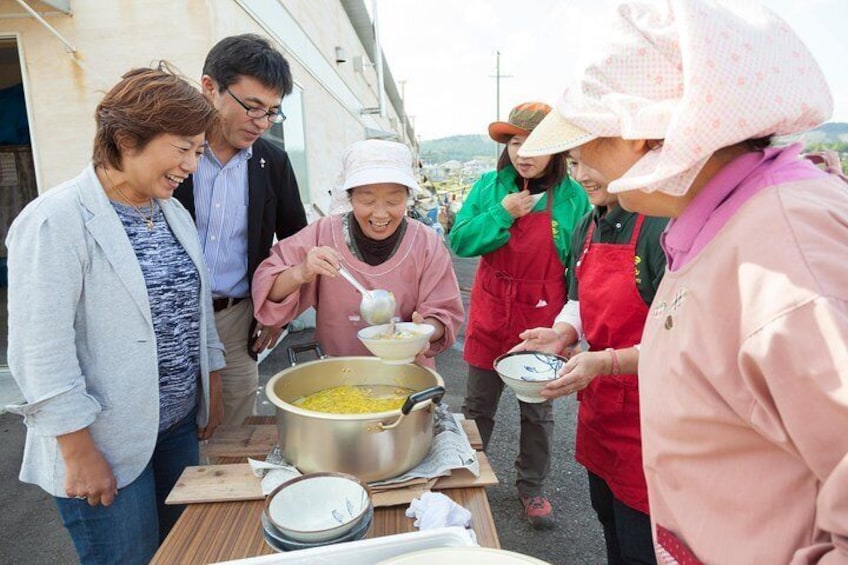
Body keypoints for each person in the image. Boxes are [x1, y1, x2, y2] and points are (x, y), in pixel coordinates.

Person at [518, 0, 848, 562]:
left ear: (649, 135)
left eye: (587, 137)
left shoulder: (786, 250)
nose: (575, 157)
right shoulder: (718, 219)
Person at [5, 64, 225, 564]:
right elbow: (40, 350)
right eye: (183, 147)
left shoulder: (172, 211)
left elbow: (196, 306)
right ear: (127, 137)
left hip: (173, 431)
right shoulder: (54, 220)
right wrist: (78, 450)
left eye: (198, 150)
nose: (192, 163)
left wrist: (208, 378)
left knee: (183, 553)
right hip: (101, 443)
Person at [513, 156, 668, 563]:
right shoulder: (588, 224)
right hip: (600, 409)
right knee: (608, 521)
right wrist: (562, 333)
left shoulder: (659, 225)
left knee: (643, 545)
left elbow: (684, 340)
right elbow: (579, 301)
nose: (581, 175)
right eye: (575, 162)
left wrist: (604, 362)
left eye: (593, 161)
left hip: (650, 419)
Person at [449, 102, 591, 529]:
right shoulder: (489, 187)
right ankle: (463, 479)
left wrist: (573, 326)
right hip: (492, 308)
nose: (523, 152)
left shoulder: (573, 196)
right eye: (514, 141)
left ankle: (531, 488)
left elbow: (582, 263)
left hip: (544, 315)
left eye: (535, 143)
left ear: (557, 151)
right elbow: (460, 239)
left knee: (538, 411)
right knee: (477, 406)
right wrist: (502, 213)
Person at [174, 34, 307, 427]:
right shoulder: (173, 152)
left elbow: (295, 242)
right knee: (169, 428)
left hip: (234, 319)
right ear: (210, 87)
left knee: (230, 431)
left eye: (272, 112)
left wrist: (277, 312)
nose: (261, 122)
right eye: (252, 107)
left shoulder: (273, 162)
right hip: (168, 315)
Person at [252, 139, 463, 365]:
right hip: (338, 374)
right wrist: (301, 272)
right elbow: (268, 287)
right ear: (349, 196)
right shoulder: (322, 234)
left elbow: (444, 311)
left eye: (393, 200)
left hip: (409, 374)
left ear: (408, 196)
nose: (381, 214)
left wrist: (425, 330)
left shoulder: (426, 242)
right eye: (367, 199)